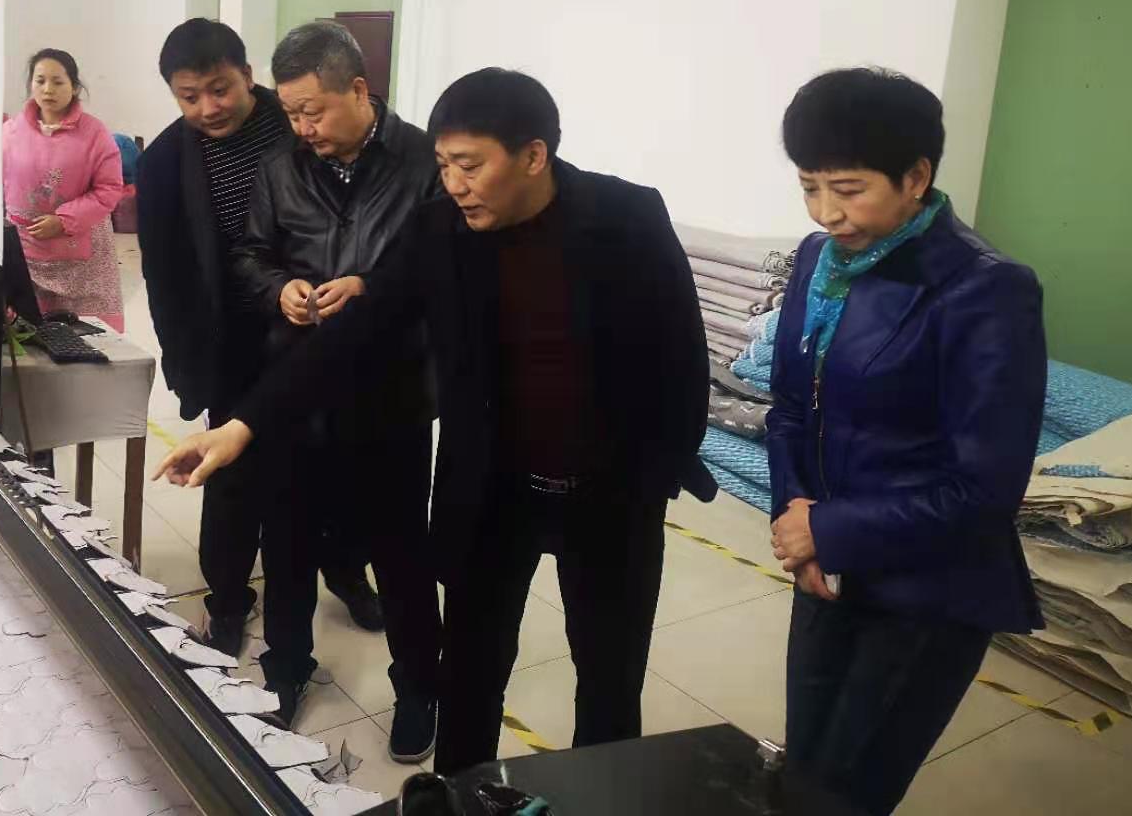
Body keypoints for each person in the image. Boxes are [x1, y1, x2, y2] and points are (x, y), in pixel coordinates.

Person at [154, 67, 717, 775]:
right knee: (472, 675)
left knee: (608, 684)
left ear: (533, 156)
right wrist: (242, 426)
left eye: (470, 166)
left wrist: (652, 476)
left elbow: (681, 362)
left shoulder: (626, 219)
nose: (454, 184)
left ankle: (596, 793)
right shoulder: (440, 228)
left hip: (609, 500)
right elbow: (351, 334)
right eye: (444, 165)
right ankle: (459, 796)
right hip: (494, 493)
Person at [767, 68, 1046, 816]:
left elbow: (984, 489)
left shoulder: (985, 289)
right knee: (802, 769)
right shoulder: (818, 260)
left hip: (927, 592)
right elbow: (790, 406)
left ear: (916, 177)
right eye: (809, 187)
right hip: (825, 569)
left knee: (845, 792)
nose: (827, 212)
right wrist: (796, 521)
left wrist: (827, 529)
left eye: (848, 189)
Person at [231, 22, 442, 757]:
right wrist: (279, 289)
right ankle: (286, 668)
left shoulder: (424, 164)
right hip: (297, 394)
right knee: (287, 542)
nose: (303, 128)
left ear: (358, 89)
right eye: (291, 112)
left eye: (313, 111)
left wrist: (371, 289)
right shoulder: (280, 169)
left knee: (402, 553)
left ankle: (419, 688)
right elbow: (250, 254)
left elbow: (444, 274)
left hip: (392, 393)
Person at [136, 19, 379, 656]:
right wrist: (185, 366)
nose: (208, 108)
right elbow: (163, 276)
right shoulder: (163, 164)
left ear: (248, 75)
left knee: (337, 469)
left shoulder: (300, 123)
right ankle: (227, 599)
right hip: (232, 345)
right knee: (233, 479)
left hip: (319, 332)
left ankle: (345, 570)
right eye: (189, 97)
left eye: (220, 89)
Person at [2, 49, 125, 332]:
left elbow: (109, 188)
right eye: (40, 80)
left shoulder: (95, 133)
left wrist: (64, 221)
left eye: (58, 82)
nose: (48, 89)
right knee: (32, 329)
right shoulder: (10, 132)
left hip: (80, 257)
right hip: (27, 252)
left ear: (74, 87)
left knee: (88, 334)